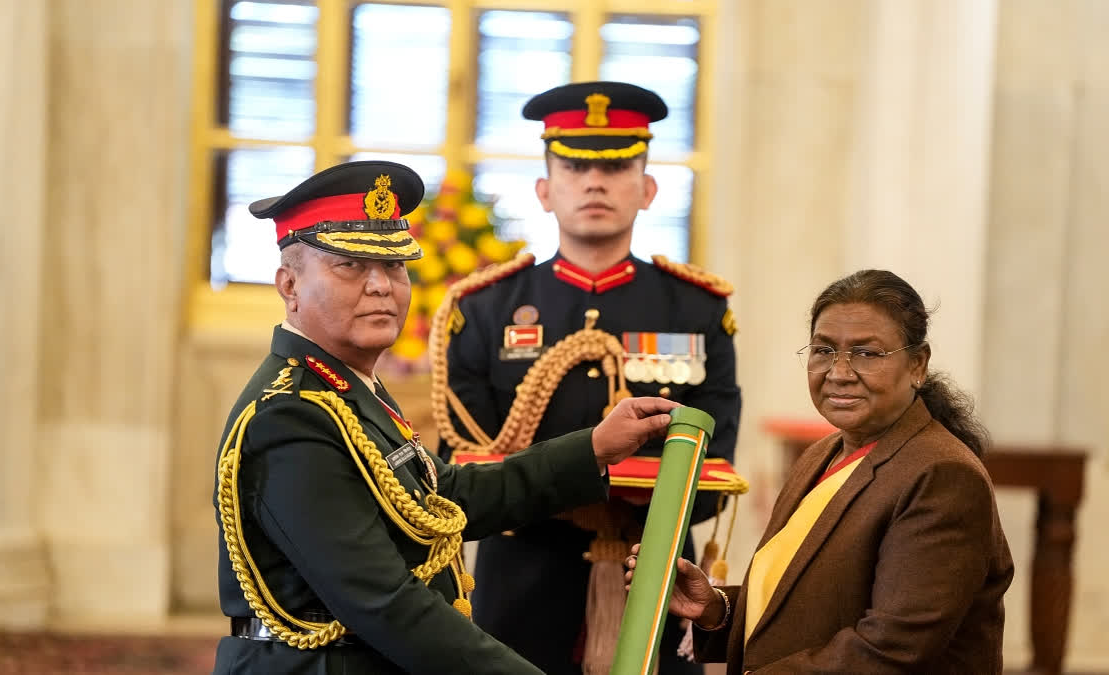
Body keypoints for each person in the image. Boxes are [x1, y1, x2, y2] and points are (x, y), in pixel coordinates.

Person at [210, 159, 680, 675]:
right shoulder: (290, 416)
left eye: (393, 266)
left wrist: (593, 447)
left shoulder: (345, 387)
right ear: (289, 286)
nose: (381, 286)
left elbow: (446, 495)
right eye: (350, 266)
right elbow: (387, 603)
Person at [433, 81, 741, 675]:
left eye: (617, 165)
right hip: (522, 572)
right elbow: (463, 459)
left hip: (653, 568)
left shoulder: (697, 310)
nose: (594, 181)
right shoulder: (484, 309)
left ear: (647, 189)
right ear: (545, 190)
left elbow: (714, 454)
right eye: (574, 166)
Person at [626, 269, 1015, 674]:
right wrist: (715, 607)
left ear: (917, 365)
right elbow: (805, 606)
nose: (839, 372)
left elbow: (891, 649)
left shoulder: (943, 475)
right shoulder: (820, 454)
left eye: (866, 353)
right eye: (824, 350)